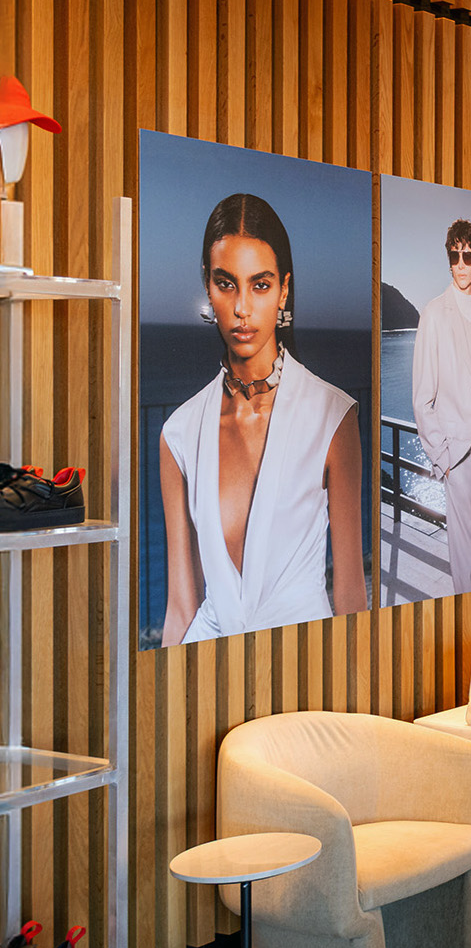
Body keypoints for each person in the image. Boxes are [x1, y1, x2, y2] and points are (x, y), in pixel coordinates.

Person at [159, 193, 366, 645]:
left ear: (284, 290)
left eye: (260, 284)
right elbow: (181, 605)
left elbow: (351, 595)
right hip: (207, 666)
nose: (241, 308)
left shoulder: (333, 416)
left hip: (306, 666)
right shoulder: (178, 434)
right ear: (207, 287)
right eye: (226, 283)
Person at [412, 218, 471, 594]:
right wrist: (442, 456)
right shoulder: (433, 314)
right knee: (464, 550)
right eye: (455, 256)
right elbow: (423, 396)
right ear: (449, 259)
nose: (461, 263)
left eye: (468, 256)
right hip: (456, 453)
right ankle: (470, 609)